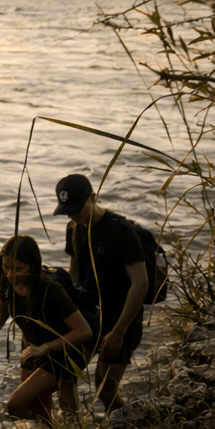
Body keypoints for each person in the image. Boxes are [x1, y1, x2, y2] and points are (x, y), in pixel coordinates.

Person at [0, 235, 95, 420]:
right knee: (37, 411)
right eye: (6, 267)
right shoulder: (6, 282)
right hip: (32, 347)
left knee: (16, 404)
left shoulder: (50, 290)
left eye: (18, 269)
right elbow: (0, 316)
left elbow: (84, 331)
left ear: (33, 266)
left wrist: (43, 349)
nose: (10, 274)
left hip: (61, 352)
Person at [55, 173, 149, 413]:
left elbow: (141, 284)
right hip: (89, 318)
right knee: (66, 378)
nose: (74, 215)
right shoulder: (73, 229)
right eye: (68, 210)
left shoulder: (121, 231)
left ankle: (135, 425)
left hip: (121, 320)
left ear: (93, 198)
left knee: (104, 391)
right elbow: (74, 274)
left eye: (78, 208)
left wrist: (118, 332)